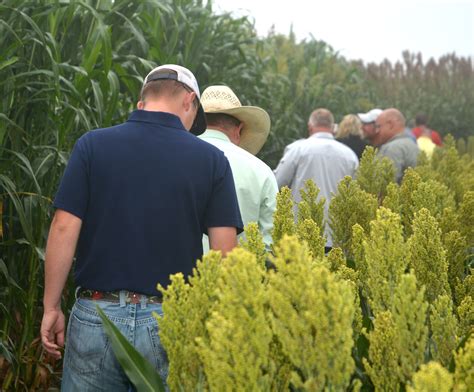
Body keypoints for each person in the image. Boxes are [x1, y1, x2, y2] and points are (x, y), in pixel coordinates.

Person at [40, 64, 243, 390]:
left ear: (141, 103)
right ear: (189, 101)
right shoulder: (211, 160)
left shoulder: (92, 145)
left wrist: (51, 307)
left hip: (97, 314)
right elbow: (225, 252)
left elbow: (63, 227)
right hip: (170, 319)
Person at [199, 85, 278, 250]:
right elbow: (271, 241)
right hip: (239, 272)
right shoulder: (261, 171)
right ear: (239, 129)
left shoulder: (175, 160)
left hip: (179, 273)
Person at [274, 108, 359, 250]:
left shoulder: (297, 149)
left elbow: (277, 183)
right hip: (336, 236)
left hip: (300, 232)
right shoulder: (350, 155)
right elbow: (356, 195)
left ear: (310, 126)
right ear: (332, 127)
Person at [374, 108, 420, 182]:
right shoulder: (412, 144)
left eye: (379, 126)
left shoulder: (392, 148)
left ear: (390, 124)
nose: (377, 131)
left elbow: (385, 184)